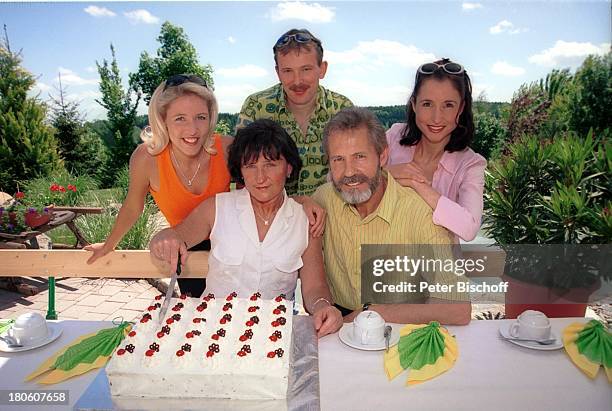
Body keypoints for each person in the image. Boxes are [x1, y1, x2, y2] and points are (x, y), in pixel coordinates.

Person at [149, 119, 343, 337]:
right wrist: (164, 240)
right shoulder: (216, 208)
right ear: (240, 171)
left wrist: (323, 307)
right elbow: (176, 235)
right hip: (211, 330)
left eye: (270, 164)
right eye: (250, 166)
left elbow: (314, 287)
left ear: (288, 168)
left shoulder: (305, 220)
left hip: (273, 334)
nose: (260, 178)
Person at [312, 107, 471, 325]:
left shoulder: (419, 212)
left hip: (403, 324)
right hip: (340, 322)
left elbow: (458, 308)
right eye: (338, 159)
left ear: (383, 155)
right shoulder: (324, 198)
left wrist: (374, 312)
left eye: (359, 156)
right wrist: (302, 203)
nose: (349, 172)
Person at [85, 74, 232, 298]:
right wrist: (109, 244)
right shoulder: (147, 158)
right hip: (184, 251)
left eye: (200, 117)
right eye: (180, 118)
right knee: (197, 319)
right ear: (162, 120)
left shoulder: (229, 149)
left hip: (233, 249)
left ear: (211, 117)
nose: (192, 130)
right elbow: (134, 206)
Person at [237, 28, 353, 196]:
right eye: (288, 71)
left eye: (306, 69)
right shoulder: (256, 107)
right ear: (277, 72)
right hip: (273, 216)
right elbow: (243, 174)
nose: (297, 81)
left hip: (331, 215)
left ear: (322, 69)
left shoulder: (343, 109)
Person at [385, 58, 486, 242]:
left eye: (448, 105)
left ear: (461, 108)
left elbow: (469, 227)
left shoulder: (471, 164)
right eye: (427, 104)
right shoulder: (393, 138)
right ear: (414, 104)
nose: (437, 118)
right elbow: (341, 178)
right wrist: (387, 174)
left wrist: (418, 184)